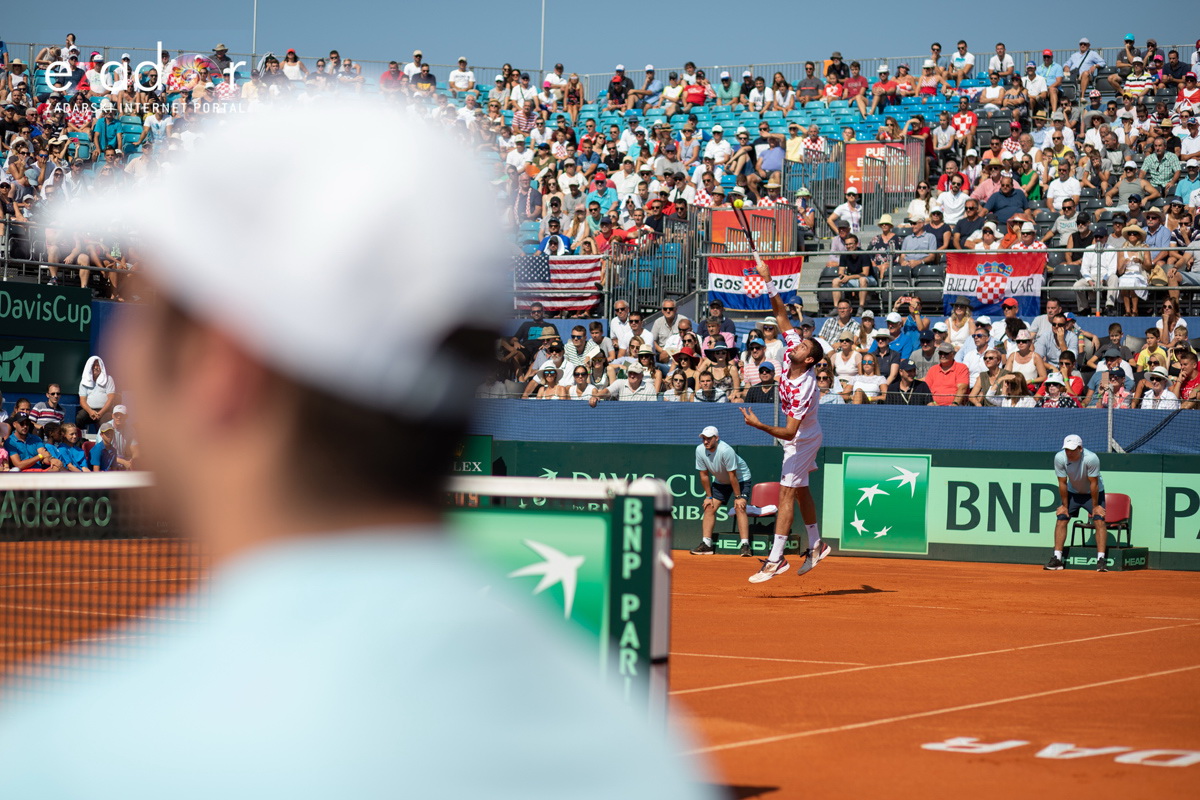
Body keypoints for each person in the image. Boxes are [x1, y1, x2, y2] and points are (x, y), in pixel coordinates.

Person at [0, 101, 713, 799]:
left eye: (148, 306)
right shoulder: (639, 759)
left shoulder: (62, 758)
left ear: (221, 365)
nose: (125, 346)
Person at [739, 259, 828, 583]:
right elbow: (780, 315)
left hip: (801, 439)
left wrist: (759, 425)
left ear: (809, 359)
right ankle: (817, 544)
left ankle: (776, 560)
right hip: (800, 437)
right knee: (801, 491)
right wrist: (768, 280)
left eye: (802, 345)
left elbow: (789, 431)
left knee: (786, 494)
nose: (796, 342)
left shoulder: (805, 386)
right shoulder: (793, 349)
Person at [689, 426, 756, 557]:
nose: (705, 441)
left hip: (740, 479)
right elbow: (704, 475)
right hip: (721, 481)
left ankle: (745, 545)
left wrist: (738, 497)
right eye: (704, 438)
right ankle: (707, 545)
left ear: (716, 438)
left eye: (709, 438)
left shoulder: (726, 450)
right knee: (709, 507)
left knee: (740, 507)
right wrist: (708, 496)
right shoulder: (699, 450)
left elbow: (733, 476)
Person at [1046, 435, 1108, 572]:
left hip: (1093, 493)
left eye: (1072, 449)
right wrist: (1064, 506)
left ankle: (1101, 560)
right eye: (1067, 449)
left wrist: (1096, 506)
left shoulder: (1091, 458)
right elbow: (1062, 483)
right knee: (1062, 519)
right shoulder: (1060, 457)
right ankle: (1057, 559)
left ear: (1080, 448)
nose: (1069, 452)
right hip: (1073, 492)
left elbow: (1094, 484)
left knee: (1099, 520)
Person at [77, 355, 117, 429]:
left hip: (105, 411)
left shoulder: (108, 379)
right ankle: (80, 435)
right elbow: (82, 401)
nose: (96, 367)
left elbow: (111, 399)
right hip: (89, 410)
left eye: (98, 365)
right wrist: (90, 412)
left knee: (106, 422)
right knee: (80, 417)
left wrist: (101, 413)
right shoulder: (84, 381)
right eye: (93, 365)